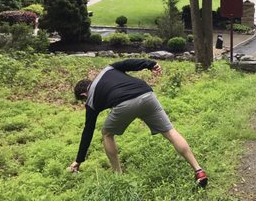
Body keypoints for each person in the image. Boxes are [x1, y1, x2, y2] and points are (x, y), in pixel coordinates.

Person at [68, 59, 208, 188]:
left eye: (82, 101)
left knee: (107, 133)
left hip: (124, 104)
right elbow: (129, 63)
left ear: (83, 95)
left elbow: (88, 131)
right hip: (146, 94)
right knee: (170, 131)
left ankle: (118, 176)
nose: (84, 103)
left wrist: (78, 160)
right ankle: (199, 171)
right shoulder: (108, 69)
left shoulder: (90, 100)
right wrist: (150, 64)